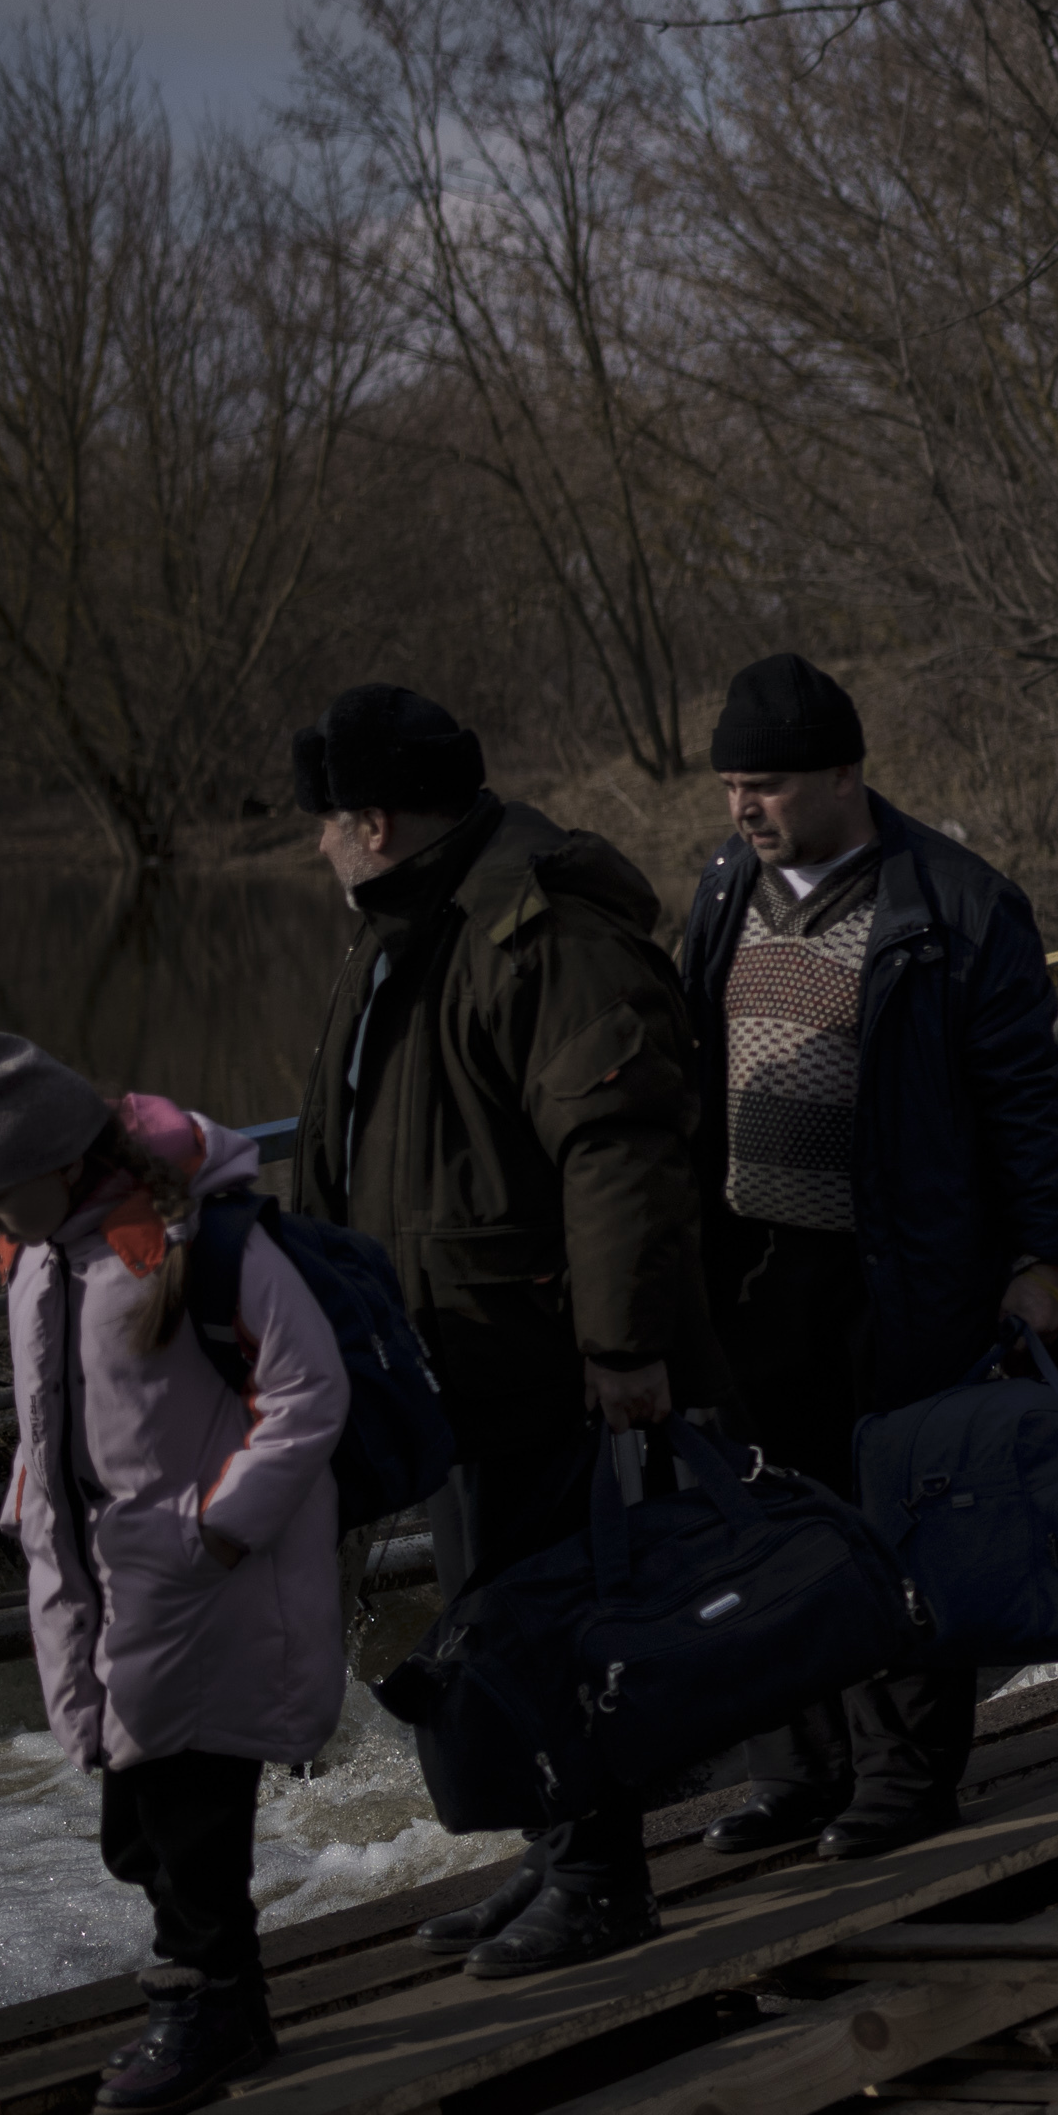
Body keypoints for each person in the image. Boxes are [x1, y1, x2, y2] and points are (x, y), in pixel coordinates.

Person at [287, 681, 722, 1977]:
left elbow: (617, 1143)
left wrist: (624, 1345)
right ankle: (549, 1854)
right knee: (495, 1614)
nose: (314, 844)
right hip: (448, 1355)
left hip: (546, 1352)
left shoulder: (535, 926)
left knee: (555, 1616)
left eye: (323, 820)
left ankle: (602, 1878)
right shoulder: (413, 926)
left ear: (372, 820)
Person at [669, 656, 1058, 1859]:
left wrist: (1040, 1257)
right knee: (770, 1527)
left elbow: (1024, 1101)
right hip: (753, 1272)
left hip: (899, 1271)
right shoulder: (718, 892)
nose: (746, 807)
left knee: (904, 1523)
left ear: (846, 774)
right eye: (733, 786)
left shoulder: (955, 904)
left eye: (770, 785)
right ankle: (797, 1773)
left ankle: (903, 1778)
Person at [0, 1038, 347, 2115]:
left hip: (204, 1581)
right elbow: (49, 1406)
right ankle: (228, 2003)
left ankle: (204, 2007)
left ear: (62, 1164)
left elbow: (308, 1393)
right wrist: (30, 1502)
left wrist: (216, 1534)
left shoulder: (201, 1240)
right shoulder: (37, 1255)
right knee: (136, 1826)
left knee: (191, 1813)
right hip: (99, 1584)